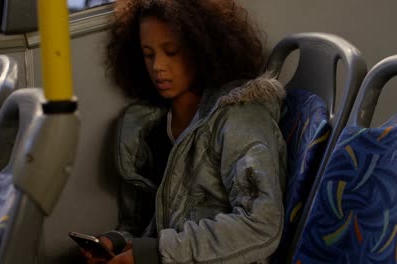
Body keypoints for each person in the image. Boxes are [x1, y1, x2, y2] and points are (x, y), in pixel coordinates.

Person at [83, 0, 286, 263]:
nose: (157, 66)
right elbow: (151, 223)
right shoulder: (147, 129)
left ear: (202, 48)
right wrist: (119, 243)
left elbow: (261, 225)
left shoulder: (238, 117)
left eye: (171, 51)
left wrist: (151, 255)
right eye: (148, 54)